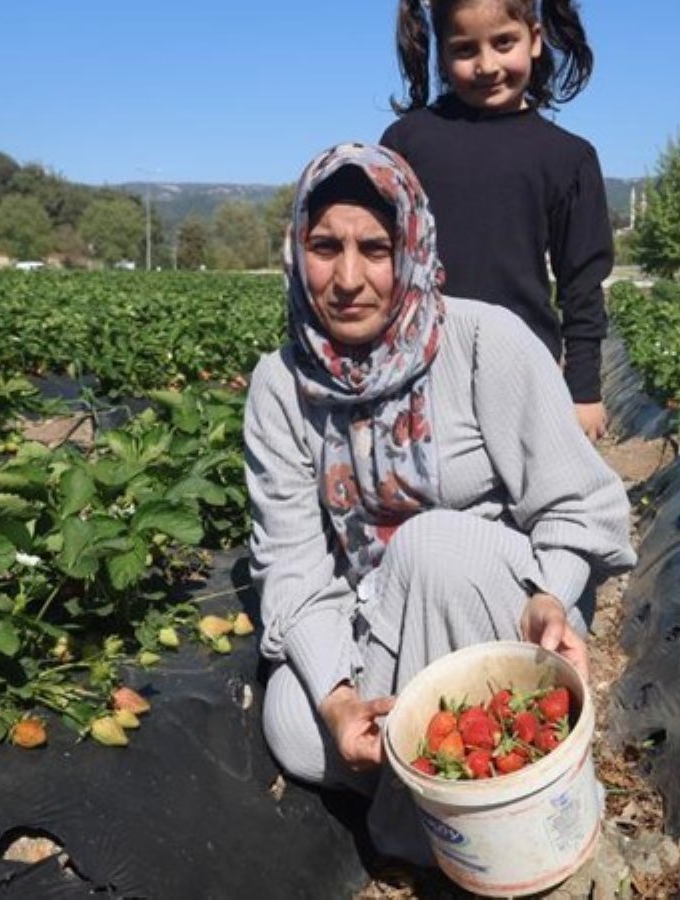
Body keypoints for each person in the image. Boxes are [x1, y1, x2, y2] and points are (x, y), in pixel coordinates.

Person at [246, 144, 635, 863]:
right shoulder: (280, 384)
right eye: (325, 247)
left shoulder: (487, 341)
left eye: (376, 248)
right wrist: (338, 703)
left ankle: (478, 838)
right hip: (383, 612)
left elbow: (579, 505)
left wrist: (551, 594)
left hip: (503, 606)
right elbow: (294, 563)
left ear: (415, 249)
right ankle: (466, 785)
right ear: (297, 252)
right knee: (295, 725)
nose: (349, 278)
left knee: (433, 546)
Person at [381, 0, 612, 440]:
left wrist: (583, 393)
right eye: (465, 49)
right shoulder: (407, 143)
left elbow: (582, 283)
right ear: (442, 57)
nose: (487, 65)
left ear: (535, 40)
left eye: (504, 42)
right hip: (419, 374)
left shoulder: (568, 158)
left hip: (524, 374)